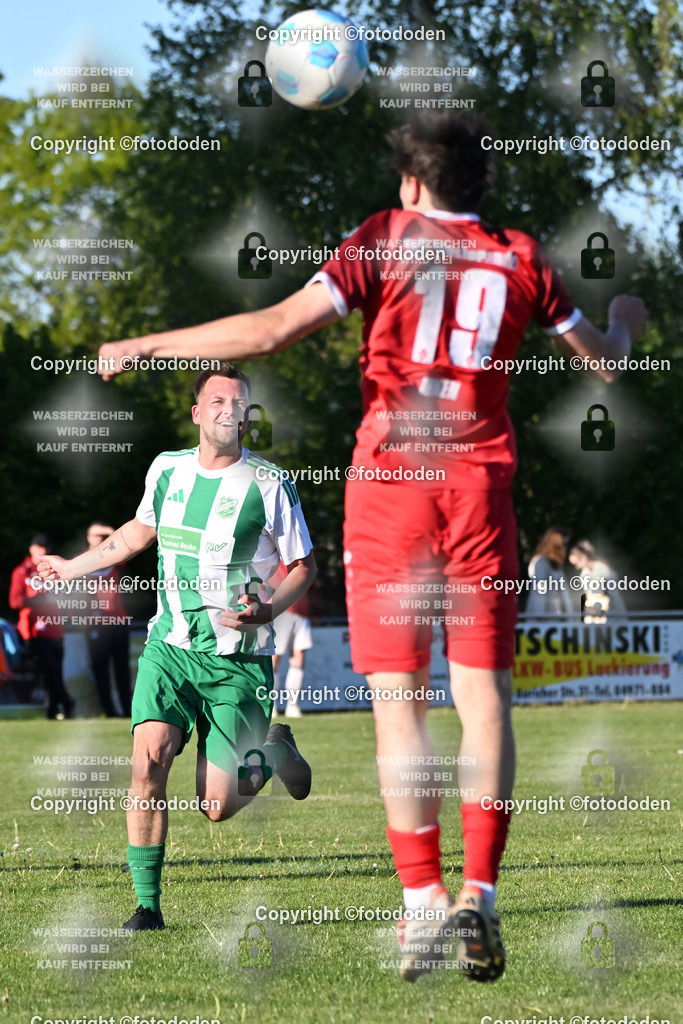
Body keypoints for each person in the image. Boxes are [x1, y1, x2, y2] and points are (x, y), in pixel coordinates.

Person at [97, 112, 648, 980]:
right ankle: (480, 895)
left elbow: (273, 328)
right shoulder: (521, 256)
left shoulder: (386, 238)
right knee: (485, 701)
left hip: (392, 490)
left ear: (412, 184)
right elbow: (608, 359)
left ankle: (422, 905)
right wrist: (622, 317)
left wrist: (147, 344)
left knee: (400, 702)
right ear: (481, 186)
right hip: (477, 491)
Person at [37, 363, 317, 931]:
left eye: (239, 403)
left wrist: (268, 609)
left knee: (215, 806)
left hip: (235, 659)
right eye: (217, 401)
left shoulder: (269, 485)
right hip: (168, 649)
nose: (228, 411)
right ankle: (147, 907)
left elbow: (305, 567)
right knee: (146, 764)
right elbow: (135, 535)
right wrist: (71, 568)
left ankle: (274, 748)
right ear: (197, 412)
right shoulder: (166, 471)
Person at [9, 534, 75, 719]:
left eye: (45, 548)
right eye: (38, 547)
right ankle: (68, 702)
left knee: (53, 673)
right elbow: (14, 601)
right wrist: (39, 600)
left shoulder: (54, 570)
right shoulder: (22, 571)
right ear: (31, 549)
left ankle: (52, 711)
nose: (42, 551)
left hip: (56, 628)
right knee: (51, 669)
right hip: (34, 631)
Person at [84, 522, 133, 717]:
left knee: (122, 669)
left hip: (118, 620)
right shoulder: (82, 559)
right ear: (88, 537)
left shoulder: (110, 555)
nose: (100, 539)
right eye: (96, 536)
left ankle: (127, 710)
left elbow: (125, 547)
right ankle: (109, 711)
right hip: (95, 623)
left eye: (103, 537)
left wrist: (110, 533)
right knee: (101, 669)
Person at [270, 560, 319, 717]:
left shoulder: (304, 555)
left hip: (302, 614)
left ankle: (293, 706)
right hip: (281, 611)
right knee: (274, 660)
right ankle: (272, 706)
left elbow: (310, 582)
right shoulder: (277, 556)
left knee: (298, 659)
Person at [568, 539, 627, 620]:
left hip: (612, 615)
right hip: (597, 617)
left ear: (584, 557)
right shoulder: (584, 574)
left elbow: (613, 596)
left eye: (577, 563)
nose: (576, 567)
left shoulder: (603, 570)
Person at [525, 527, 574, 616]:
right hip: (543, 622)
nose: (565, 548)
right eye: (564, 544)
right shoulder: (540, 563)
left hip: (554, 619)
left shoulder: (556, 565)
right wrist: (540, 616)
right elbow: (539, 591)